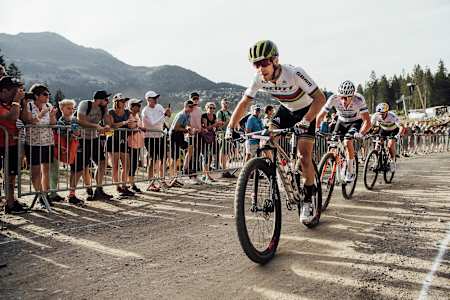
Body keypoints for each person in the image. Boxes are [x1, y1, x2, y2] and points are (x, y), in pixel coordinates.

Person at [226, 40, 326, 223]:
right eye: (256, 64)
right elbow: (245, 103)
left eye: (264, 63)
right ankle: (277, 175)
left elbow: (320, 98)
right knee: (267, 141)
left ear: (275, 60)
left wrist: (306, 121)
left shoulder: (295, 73)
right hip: (285, 111)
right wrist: (230, 126)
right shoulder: (258, 78)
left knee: (304, 156)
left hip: (306, 111)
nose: (260, 68)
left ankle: (308, 199)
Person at [316, 80, 371, 182]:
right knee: (332, 145)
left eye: (346, 98)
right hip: (341, 121)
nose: (343, 100)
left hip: (355, 122)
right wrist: (316, 129)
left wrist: (361, 133)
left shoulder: (359, 99)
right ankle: (337, 164)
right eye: (341, 97)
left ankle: (350, 171)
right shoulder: (333, 98)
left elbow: (367, 121)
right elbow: (320, 116)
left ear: (352, 96)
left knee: (347, 141)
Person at [21, 83, 57, 205]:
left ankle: (45, 195)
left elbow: (52, 124)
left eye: (48, 94)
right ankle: (39, 195)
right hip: (33, 143)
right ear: (36, 95)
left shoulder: (49, 105)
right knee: (35, 171)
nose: (48, 96)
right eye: (45, 94)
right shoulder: (29, 105)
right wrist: (42, 113)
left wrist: (52, 116)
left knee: (46, 170)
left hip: (48, 142)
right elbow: (30, 121)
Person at [75, 90, 113, 200]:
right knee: (82, 166)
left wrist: (106, 125)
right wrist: (96, 126)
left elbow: (107, 122)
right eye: (106, 99)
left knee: (102, 162)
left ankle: (98, 189)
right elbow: (80, 121)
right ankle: (83, 190)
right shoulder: (84, 104)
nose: (108, 101)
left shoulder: (103, 108)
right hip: (81, 138)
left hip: (94, 138)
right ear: (99, 100)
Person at [0, 76, 29, 213]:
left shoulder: (14, 103)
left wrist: (23, 102)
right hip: (2, 144)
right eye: (16, 90)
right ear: (4, 91)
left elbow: (25, 119)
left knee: (11, 176)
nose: (19, 92)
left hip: (12, 144)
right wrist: (17, 101)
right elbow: (11, 117)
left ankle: (10, 202)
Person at [141, 90, 171, 191]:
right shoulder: (145, 110)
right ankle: (150, 182)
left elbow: (166, 117)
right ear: (148, 99)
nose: (156, 100)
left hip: (160, 136)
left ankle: (162, 180)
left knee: (163, 158)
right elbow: (153, 123)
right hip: (149, 137)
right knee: (152, 159)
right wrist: (164, 115)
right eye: (154, 98)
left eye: (156, 98)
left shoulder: (159, 106)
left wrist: (168, 113)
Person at [107, 93, 134, 197]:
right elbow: (112, 125)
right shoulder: (111, 112)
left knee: (126, 164)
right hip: (113, 140)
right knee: (115, 166)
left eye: (125, 101)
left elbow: (132, 123)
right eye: (122, 101)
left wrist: (132, 124)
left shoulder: (127, 112)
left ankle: (124, 185)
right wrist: (125, 122)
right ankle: (117, 186)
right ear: (116, 102)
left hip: (123, 140)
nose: (124, 103)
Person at [371, 103, 402, 171]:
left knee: (390, 145)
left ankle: (392, 161)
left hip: (393, 130)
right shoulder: (375, 115)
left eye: (383, 114)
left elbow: (401, 127)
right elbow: (371, 126)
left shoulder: (392, 116)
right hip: (383, 129)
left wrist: (398, 135)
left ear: (387, 112)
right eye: (380, 114)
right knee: (377, 146)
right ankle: (376, 162)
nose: (381, 115)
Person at [169, 100, 194, 182]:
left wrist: (188, 128)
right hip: (174, 135)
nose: (192, 108)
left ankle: (184, 168)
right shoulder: (181, 115)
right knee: (175, 156)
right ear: (185, 106)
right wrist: (186, 130)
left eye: (192, 106)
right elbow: (175, 128)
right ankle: (173, 176)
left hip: (180, 135)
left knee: (190, 148)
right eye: (190, 106)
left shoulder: (188, 115)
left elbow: (188, 124)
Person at [200, 102, 223, 183]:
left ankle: (205, 174)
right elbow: (206, 127)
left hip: (211, 137)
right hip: (204, 138)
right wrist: (215, 124)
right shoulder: (204, 116)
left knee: (210, 155)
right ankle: (207, 175)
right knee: (205, 156)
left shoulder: (214, 116)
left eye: (213, 108)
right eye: (210, 107)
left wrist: (219, 125)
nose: (212, 109)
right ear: (206, 108)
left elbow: (214, 127)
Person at [127, 98, 145, 193]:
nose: (139, 107)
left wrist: (140, 128)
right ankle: (130, 184)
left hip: (138, 143)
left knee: (134, 165)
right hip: (131, 144)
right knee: (130, 165)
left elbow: (138, 128)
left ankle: (131, 183)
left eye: (139, 105)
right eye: (137, 105)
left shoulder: (137, 116)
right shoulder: (129, 116)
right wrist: (139, 128)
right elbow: (130, 130)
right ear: (132, 107)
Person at [216, 98, 235, 178]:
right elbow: (220, 124)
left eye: (227, 103)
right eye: (224, 103)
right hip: (223, 133)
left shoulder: (229, 113)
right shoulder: (219, 112)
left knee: (227, 152)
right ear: (221, 104)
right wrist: (229, 121)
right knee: (223, 151)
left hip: (229, 133)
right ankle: (223, 169)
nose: (226, 104)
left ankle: (225, 168)